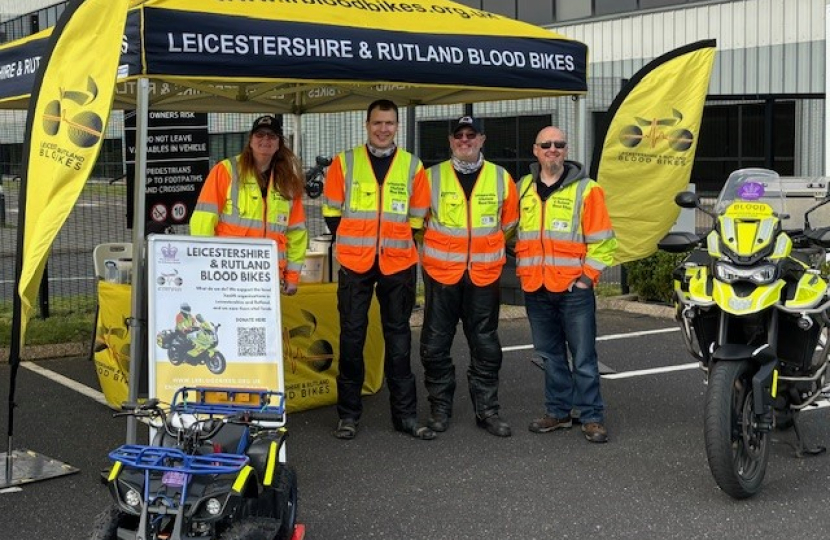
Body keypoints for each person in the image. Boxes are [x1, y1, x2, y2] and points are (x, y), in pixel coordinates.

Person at [322, 99, 434, 441]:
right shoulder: (345, 162)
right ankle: (349, 416)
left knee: (398, 340)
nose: (383, 129)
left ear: (397, 126)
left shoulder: (412, 166)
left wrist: (391, 241)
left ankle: (406, 417)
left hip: (397, 264)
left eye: (389, 123)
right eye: (377, 123)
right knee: (352, 338)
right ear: (366, 125)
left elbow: (418, 218)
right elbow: (331, 213)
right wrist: (359, 241)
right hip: (356, 264)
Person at [419, 116, 519, 438]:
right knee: (435, 345)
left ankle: (488, 411)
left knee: (486, 345)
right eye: (458, 136)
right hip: (441, 275)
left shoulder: (501, 178)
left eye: (470, 135)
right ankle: (440, 408)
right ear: (450, 141)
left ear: (482, 139)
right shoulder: (430, 177)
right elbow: (417, 224)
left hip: (484, 276)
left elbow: (510, 226)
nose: (465, 140)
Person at [517, 126, 617, 443]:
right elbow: (508, 230)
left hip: (574, 289)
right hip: (536, 287)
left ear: (566, 150)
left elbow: (604, 242)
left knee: (584, 357)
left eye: (559, 144)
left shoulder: (587, 190)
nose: (553, 149)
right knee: (550, 356)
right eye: (546, 144)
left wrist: (587, 279)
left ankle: (591, 416)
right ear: (535, 150)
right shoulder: (522, 188)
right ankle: (558, 412)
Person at [190, 115, 307, 295]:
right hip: (228, 274)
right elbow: (203, 222)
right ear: (250, 140)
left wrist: (292, 277)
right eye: (260, 134)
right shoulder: (226, 170)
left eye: (272, 136)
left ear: (278, 144)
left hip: (269, 277)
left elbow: (296, 233)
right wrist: (204, 268)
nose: (266, 140)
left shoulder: (288, 182)